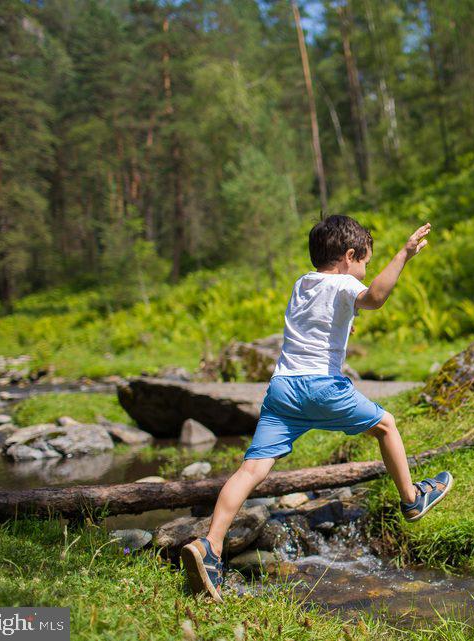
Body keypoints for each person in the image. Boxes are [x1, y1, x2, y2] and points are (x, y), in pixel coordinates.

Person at [181, 215, 453, 602]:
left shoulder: (302, 284)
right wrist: (404, 255)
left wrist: (346, 321)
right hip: (321, 387)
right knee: (387, 426)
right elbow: (374, 297)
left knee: (252, 469)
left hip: (283, 390)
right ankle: (411, 499)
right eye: (365, 263)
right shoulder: (346, 282)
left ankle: (210, 546)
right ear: (349, 256)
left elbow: (318, 320)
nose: (365, 272)